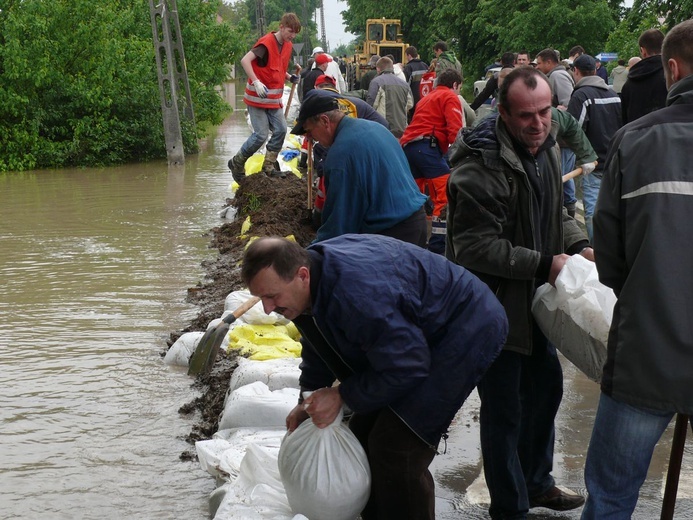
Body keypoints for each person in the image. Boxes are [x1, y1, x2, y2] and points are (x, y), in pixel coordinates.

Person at [241, 234, 509, 520]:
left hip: (465, 327)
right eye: (261, 299)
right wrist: (308, 399)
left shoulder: (354, 295)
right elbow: (318, 343)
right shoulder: (303, 285)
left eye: (271, 297)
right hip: (412, 337)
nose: (268, 309)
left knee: (397, 448)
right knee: (361, 437)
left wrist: (342, 395)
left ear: (302, 275)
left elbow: (407, 364)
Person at [446, 66, 593, 519]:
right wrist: (545, 264)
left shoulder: (545, 149)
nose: (538, 123)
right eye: (527, 115)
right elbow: (474, 247)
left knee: (545, 393)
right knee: (505, 412)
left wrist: (576, 244)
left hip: (535, 307)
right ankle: (509, 508)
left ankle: (537, 483)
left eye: (545, 112)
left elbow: (556, 213)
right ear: (504, 113)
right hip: (494, 310)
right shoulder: (481, 166)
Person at [582, 19, 693, 518]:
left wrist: (651, 292)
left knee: (609, 499)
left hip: (647, 351)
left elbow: (610, 255)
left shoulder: (634, 141)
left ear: (671, 68)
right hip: (649, 346)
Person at [291, 93, 427, 245]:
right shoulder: (375, 128)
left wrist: (314, 253)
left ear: (325, 121)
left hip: (393, 235)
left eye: (309, 131)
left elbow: (340, 223)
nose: (309, 138)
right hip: (417, 221)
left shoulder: (341, 155)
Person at [228, 13, 301, 182]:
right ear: (281, 27)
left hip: (273, 101)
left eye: (295, 33)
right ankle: (237, 163)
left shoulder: (287, 45)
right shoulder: (266, 44)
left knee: (282, 130)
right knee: (260, 135)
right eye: (290, 31)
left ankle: (268, 167)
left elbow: (276, 69)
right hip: (257, 99)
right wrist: (256, 81)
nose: (293, 36)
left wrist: (289, 77)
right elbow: (245, 61)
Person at [400, 69, 464, 254]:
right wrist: (461, 156)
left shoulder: (427, 98)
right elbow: (455, 131)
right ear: (455, 85)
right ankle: (438, 245)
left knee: (414, 197)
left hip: (410, 147)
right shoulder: (449, 96)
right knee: (444, 196)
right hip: (428, 148)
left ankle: (411, 240)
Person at [567, 54, 622, 242]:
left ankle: (596, 259)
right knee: (614, 213)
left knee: (593, 215)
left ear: (576, 71)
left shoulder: (581, 96)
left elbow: (573, 130)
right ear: (596, 70)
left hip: (593, 163)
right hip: (615, 162)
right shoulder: (613, 94)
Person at [535, 48, 580, 217]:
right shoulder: (557, 74)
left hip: (562, 138)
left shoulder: (557, 75)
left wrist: (549, 111)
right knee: (565, 180)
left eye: (539, 63)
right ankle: (568, 215)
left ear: (549, 62)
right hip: (564, 138)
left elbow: (568, 105)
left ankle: (563, 217)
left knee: (559, 178)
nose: (537, 67)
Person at [620, 28, 668, 123]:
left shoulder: (629, 84)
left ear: (643, 51)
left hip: (638, 136)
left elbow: (624, 121)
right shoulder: (673, 75)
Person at [366, 56, 413, 138]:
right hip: (402, 129)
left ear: (378, 69)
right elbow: (410, 104)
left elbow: (370, 105)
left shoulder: (376, 82)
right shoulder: (405, 84)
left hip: (383, 130)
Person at [403, 46, 429, 118]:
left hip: (414, 101)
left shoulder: (408, 67)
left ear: (409, 55)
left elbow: (406, 85)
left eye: (406, 56)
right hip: (425, 99)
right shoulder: (425, 66)